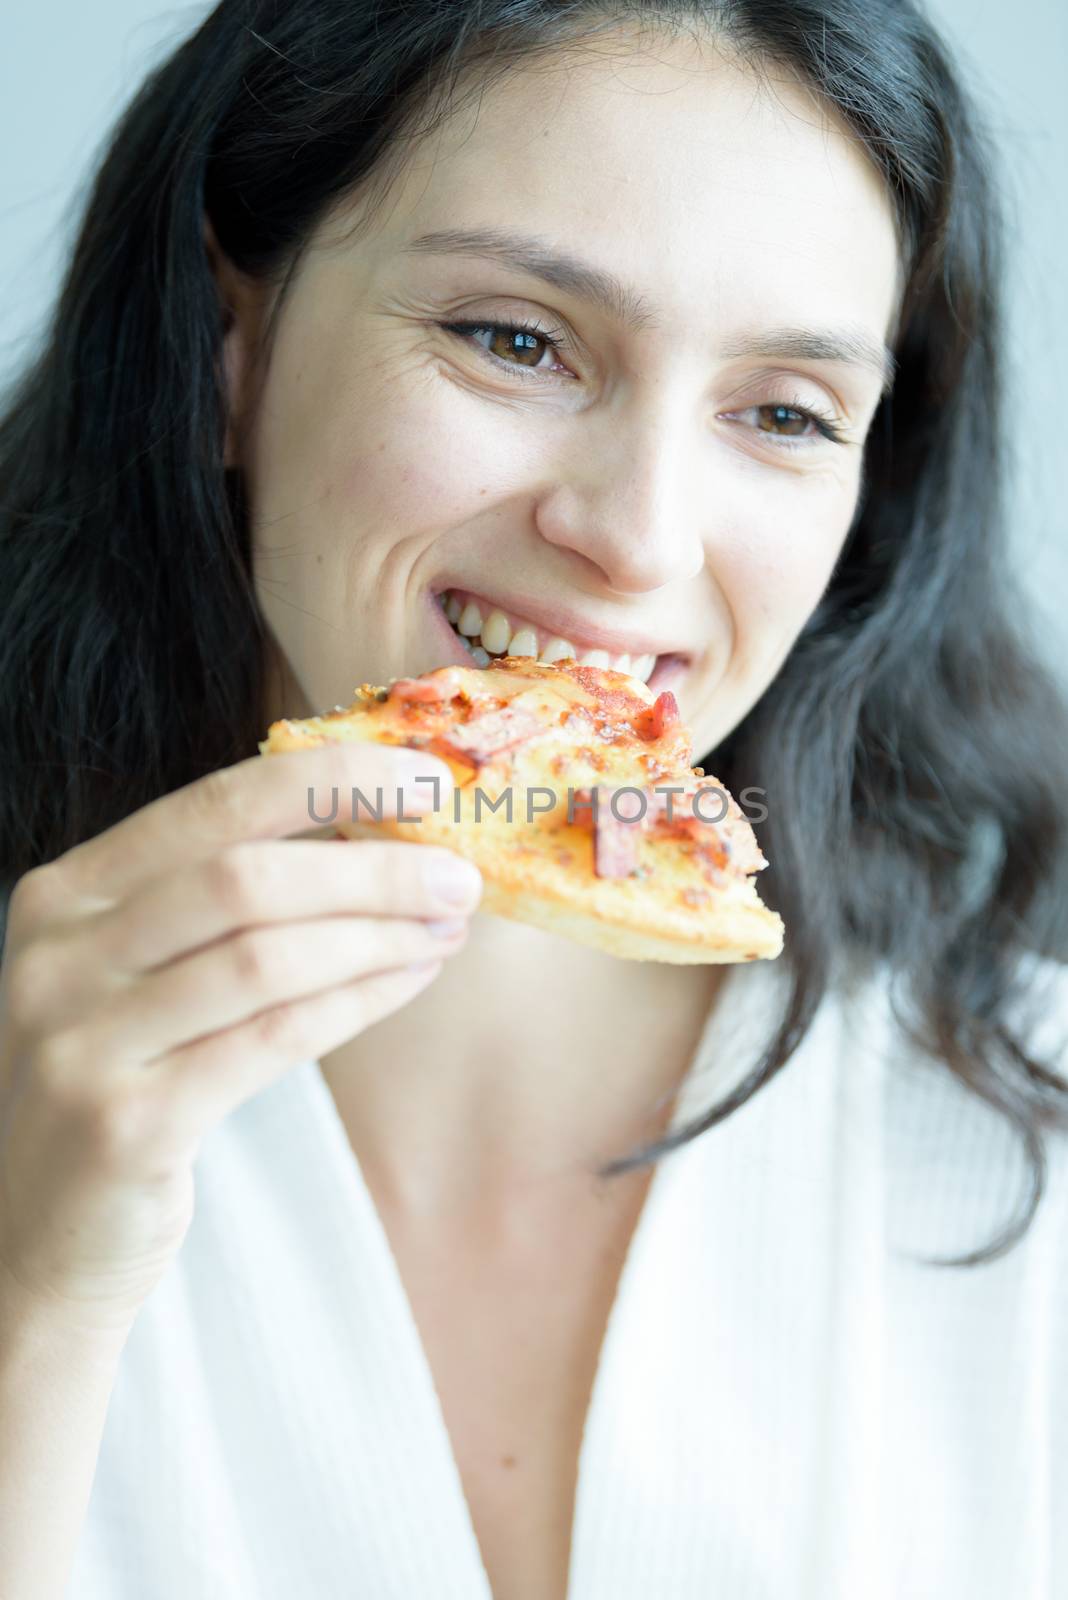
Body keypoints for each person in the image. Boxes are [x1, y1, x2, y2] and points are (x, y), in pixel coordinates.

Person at [1, 1, 1067, 1596]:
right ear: (231, 342)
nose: (638, 538)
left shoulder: (1032, 1126)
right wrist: (34, 1299)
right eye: (516, 337)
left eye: (783, 412)